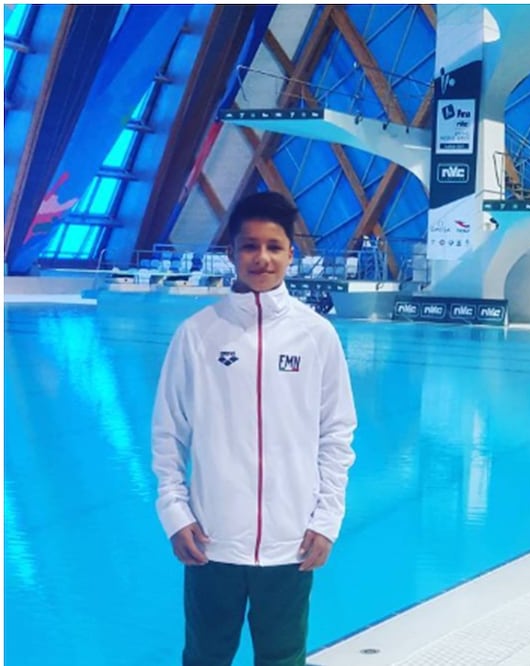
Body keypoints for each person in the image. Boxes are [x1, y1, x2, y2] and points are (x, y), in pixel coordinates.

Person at [152, 191, 357, 665]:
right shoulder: (197, 335)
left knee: (283, 658)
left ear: (291, 253)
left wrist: (326, 520)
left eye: (273, 246)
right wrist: (175, 512)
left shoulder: (316, 336)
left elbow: (337, 434)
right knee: (205, 656)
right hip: (211, 540)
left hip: (292, 542)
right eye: (249, 246)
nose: (261, 258)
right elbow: (168, 432)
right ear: (232, 252)